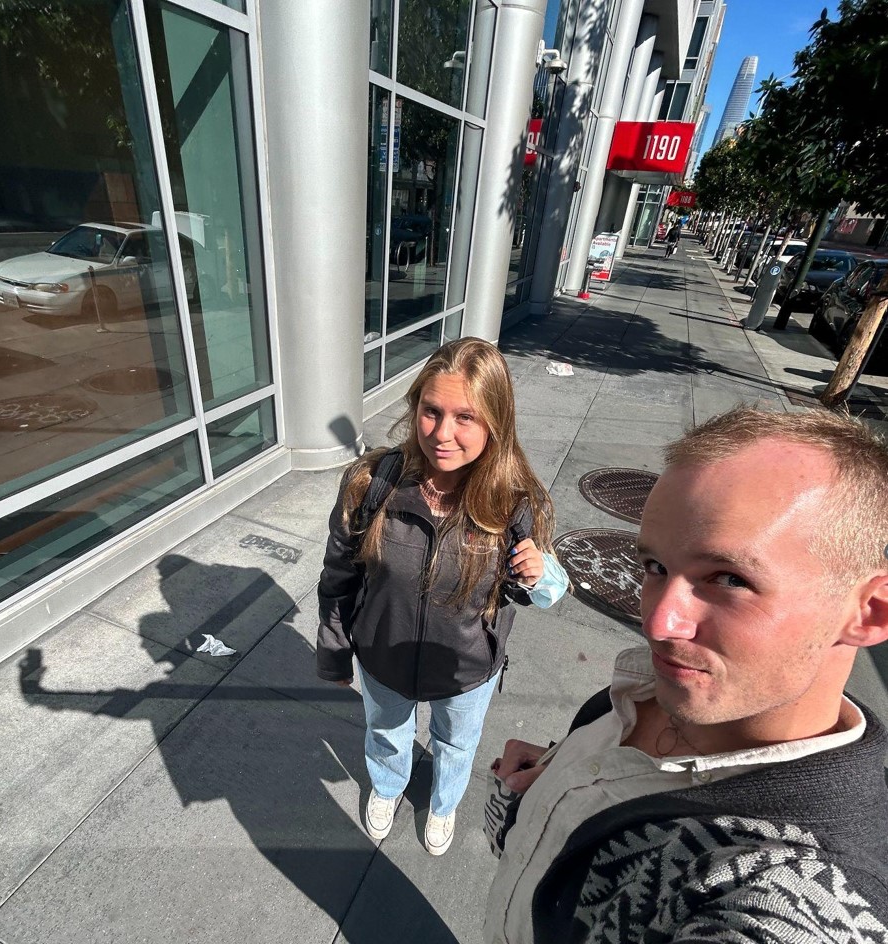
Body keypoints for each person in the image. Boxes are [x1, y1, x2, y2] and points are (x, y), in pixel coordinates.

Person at [485, 406, 888, 943]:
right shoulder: (654, 691)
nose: (656, 622)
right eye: (655, 567)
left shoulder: (791, 888)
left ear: (870, 613)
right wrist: (560, 777)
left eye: (729, 578)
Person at [317, 337, 567, 856]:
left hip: (465, 669)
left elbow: (547, 593)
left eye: (465, 418)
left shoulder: (513, 500)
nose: (442, 434)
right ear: (416, 407)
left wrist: (539, 573)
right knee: (386, 731)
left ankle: (444, 803)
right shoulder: (373, 483)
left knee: (456, 744)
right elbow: (339, 574)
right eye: (432, 411)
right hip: (383, 653)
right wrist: (335, 650)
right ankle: (387, 787)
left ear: (495, 422)